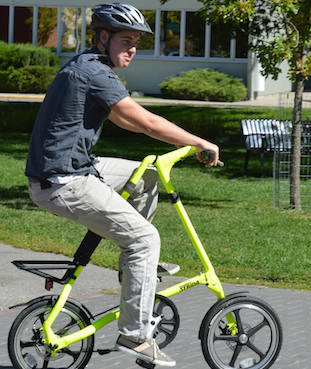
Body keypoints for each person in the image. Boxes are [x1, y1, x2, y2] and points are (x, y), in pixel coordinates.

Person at [25, 3, 220, 367]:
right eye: (126, 40)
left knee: (144, 176)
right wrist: (198, 142)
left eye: (136, 42)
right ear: (103, 37)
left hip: (71, 170)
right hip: (64, 182)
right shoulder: (94, 72)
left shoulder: (88, 66)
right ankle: (135, 337)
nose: (132, 48)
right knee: (146, 238)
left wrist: (173, 141)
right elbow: (143, 120)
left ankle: (134, 269)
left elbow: (122, 118)